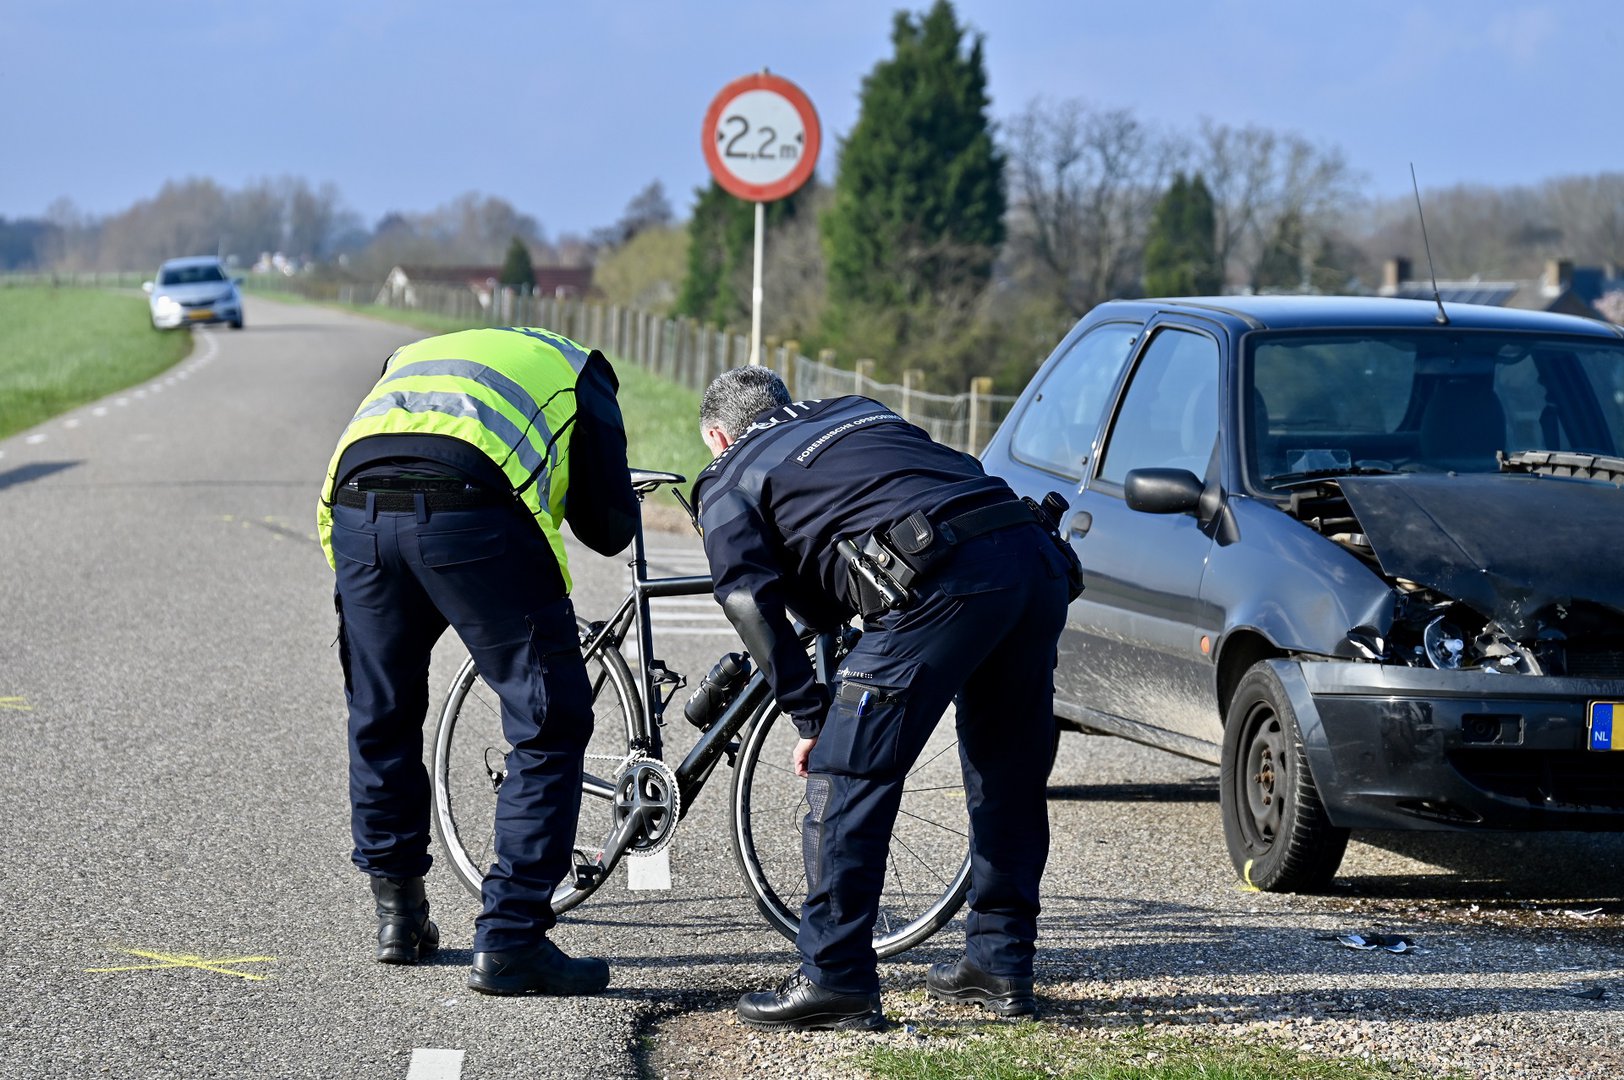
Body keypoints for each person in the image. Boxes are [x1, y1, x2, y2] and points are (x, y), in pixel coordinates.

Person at [692, 366, 1072, 1030]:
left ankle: (834, 977)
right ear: (787, 405)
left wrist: (811, 715)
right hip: (1031, 554)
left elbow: (750, 602)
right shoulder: (856, 410)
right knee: (1006, 774)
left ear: (720, 437)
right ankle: (999, 967)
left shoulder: (729, 475)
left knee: (847, 770)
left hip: (943, 575)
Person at [316, 325, 636, 996]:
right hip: (472, 512)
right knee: (548, 720)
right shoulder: (581, 367)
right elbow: (608, 529)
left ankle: (398, 920)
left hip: (354, 511)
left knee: (382, 712)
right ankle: (512, 939)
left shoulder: (411, 358)